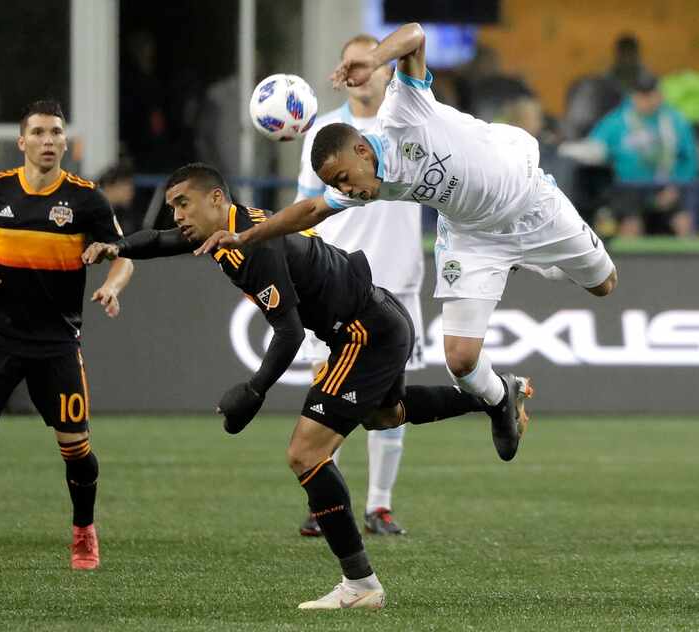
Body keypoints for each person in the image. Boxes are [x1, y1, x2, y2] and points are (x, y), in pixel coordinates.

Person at [82, 163, 530, 610]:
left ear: (216, 199)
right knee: (385, 416)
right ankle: (495, 397)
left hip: (364, 332)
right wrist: (115, 246)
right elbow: (160, 241)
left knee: (305, 454)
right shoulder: (224, 233)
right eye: (171, 206)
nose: (176, 215)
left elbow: (290, 333)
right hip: (377, 318)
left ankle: (360, 584)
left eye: (183, 203)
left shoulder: (258, 245)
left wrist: (253, 391)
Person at [198, 22, 616, 459]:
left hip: (530, 200)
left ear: (362, 151)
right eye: (337, 185)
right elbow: (310, 209)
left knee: (604, 285)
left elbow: (415, 34)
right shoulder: (358, 182)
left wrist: (375, 58)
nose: (350, 191)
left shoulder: (402, 112)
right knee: (461, 362)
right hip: (472, 235)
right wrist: (248, 234)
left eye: (345, 179)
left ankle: (533, 259)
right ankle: (501, 398)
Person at [0, 100, 133, 570]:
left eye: (56, 133)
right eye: (39, 132)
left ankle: (83, 531)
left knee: (75, 448)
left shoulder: (86, 198)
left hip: (56, 343)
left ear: (65, 142)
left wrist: (111, 286)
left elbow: (124, 254)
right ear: (22, 141)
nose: (48, 141)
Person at [294, 34, 425, 539]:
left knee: (390, 400)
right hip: (335, 281)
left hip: (399, 280)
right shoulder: (324, 132)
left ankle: (380, 505)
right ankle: (324, 500)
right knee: (326, 391)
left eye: (377, 62)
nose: (368, 72)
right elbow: (307, 209)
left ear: (389, 70)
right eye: (357, 64)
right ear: (345, 71)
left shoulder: (408, 125)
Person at [588, 73, 697, 236]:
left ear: (659, 95)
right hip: (627, 190)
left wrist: (677, 185)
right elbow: (594, 150)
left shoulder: (675, 120)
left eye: (650, 94)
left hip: (667, 187)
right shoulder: (615, 121)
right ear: (632, 96)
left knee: (684, 223)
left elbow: (690, 159)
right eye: (641, 95)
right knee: (630, 227)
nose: (646, 100)